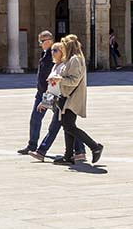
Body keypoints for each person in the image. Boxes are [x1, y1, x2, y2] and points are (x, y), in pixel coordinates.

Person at [54, 35, 104, 167]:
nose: (62, 49)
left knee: (69, 125)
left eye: (64, 46)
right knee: (67, 125)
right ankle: (68, 156)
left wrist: (59, 79)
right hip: (67, 97)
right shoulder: (72, 59)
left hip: (72, 97)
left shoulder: (75, 60)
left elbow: (74, 80)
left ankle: (94, 146)